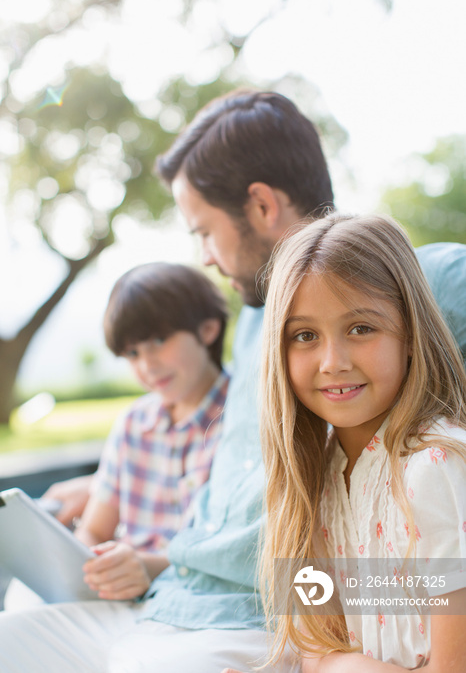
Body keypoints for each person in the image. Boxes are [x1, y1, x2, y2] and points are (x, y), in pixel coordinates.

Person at [1, 90, 465, 672]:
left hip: (242, 618)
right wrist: (102, 482)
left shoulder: (421, 280)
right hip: (175, 597)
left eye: (203, 231)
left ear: (262, 206)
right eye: (301, 336)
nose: (330, 360)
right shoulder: (259, 330)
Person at [259, 213, 466, 671]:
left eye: (360, 328)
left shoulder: (439, 467)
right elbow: (315, 645)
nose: (333, 362)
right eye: (305, 336)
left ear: (410, 334)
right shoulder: (311, 477)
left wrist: (337, 666)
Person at [5, 262, 229, 607]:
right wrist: (90, 564)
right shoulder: (134, 423)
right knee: (20, 608)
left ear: (208, 329)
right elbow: (95, 528)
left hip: (194, 599)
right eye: (132, 353)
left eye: (159, 340)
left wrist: (144, 567)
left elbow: (228, 550)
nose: (147, 365)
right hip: (123, 596)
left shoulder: (240, 418)